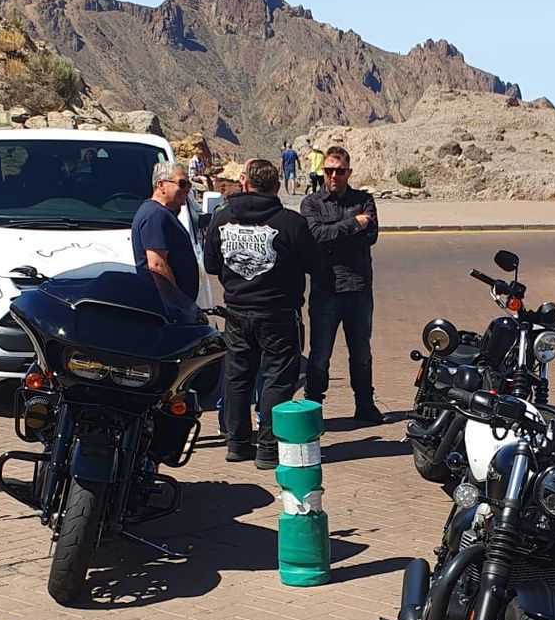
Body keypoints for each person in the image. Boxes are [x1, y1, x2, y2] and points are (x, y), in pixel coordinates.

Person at [203, 157, 321, 469]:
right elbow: (313, 263)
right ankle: (269, 449)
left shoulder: (221, 218)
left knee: (238, 377)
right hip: (278, 312)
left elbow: (212, 264)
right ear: (276, 186)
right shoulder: (290, 222)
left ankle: (237, 443)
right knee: (278, 380)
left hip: (238, 311)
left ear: (245, 183)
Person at [301, 145, 383, 425]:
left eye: (340, 170)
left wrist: (338, 232)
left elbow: (370, 235)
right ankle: (313, 408)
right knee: (320, 355)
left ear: (349, 172)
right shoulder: (311, 203)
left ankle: (365, 403)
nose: (334, 175)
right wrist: (352, 225)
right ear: (322, 171)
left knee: (361, 352)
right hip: (326, 290)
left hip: (358, 289)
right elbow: (316, 236)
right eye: (329, 170)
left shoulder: (364, 199)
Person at [131, 160, 199, 317]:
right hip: (167, 309)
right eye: (182, 184)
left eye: (189, 185)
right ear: (161, 185)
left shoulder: (162, 213)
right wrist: (179, 305)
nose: (187, 190)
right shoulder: (156, 215)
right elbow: (157, 265)